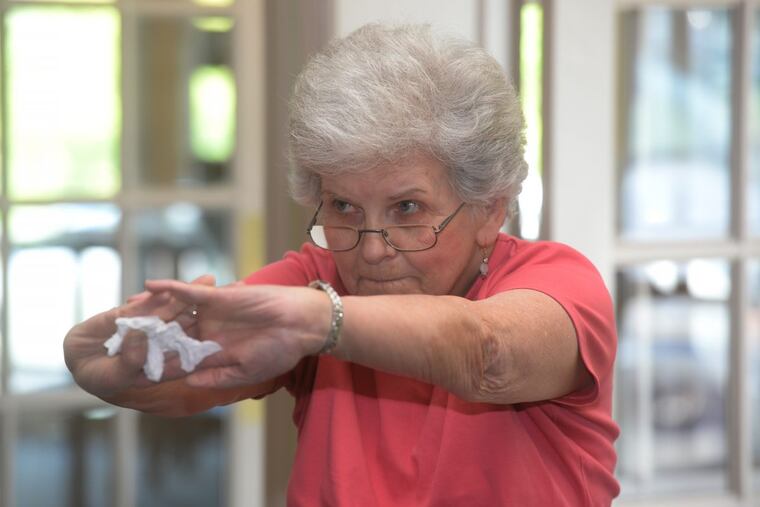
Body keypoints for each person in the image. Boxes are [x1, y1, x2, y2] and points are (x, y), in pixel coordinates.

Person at [64, 23, 619, 506]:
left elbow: (486, 351)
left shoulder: (558, 282)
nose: (371, 249)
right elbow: (191, 380)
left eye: (407, 209)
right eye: (344, 208)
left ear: (489, 208)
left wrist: (319, 321)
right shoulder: (319, 280)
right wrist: (114, 364)